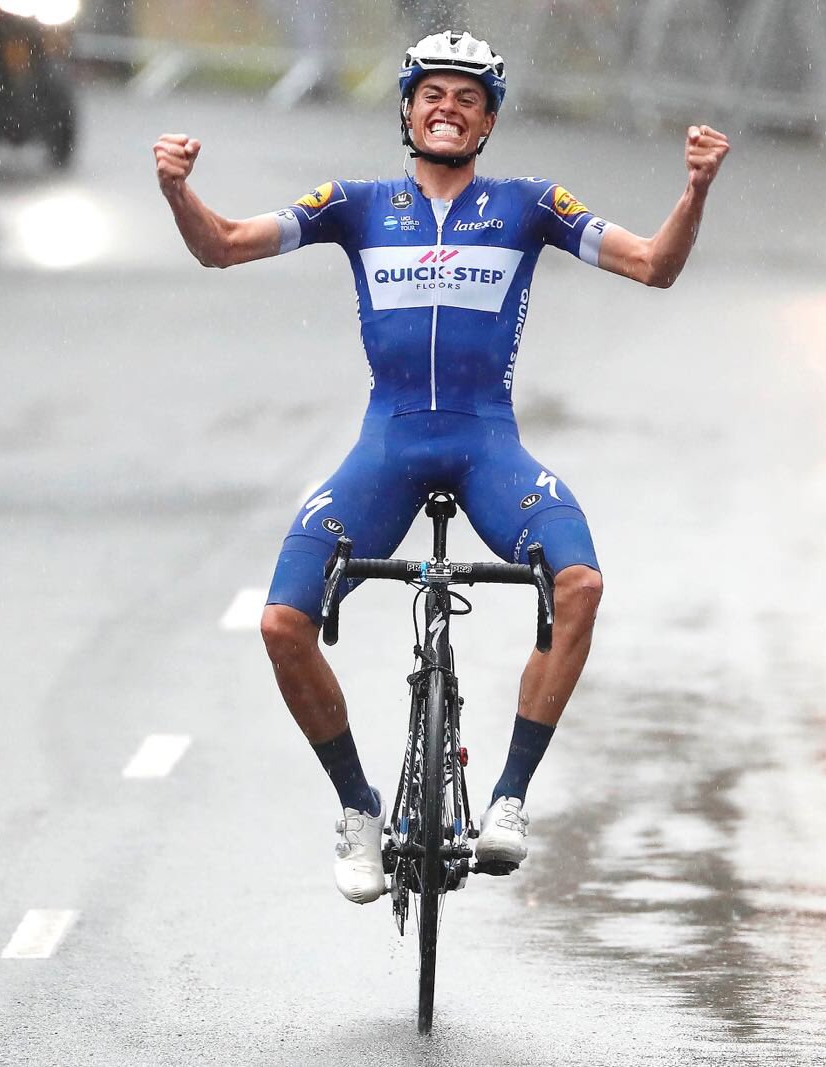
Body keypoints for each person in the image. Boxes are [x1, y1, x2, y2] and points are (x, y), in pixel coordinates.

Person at [153, 30, 729, 904]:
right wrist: (177, 190)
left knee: (579, 584)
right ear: (407, 109)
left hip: (487, 442)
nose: (448, 109)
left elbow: (654, 264)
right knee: (280, 624)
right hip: (386, 445)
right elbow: (223, 244)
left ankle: (507, 799)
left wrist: (695, 189)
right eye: (433, 94)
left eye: (468, 98)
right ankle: (359, 809)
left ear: (488, 121)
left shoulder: (530, 204)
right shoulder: (354, 204)